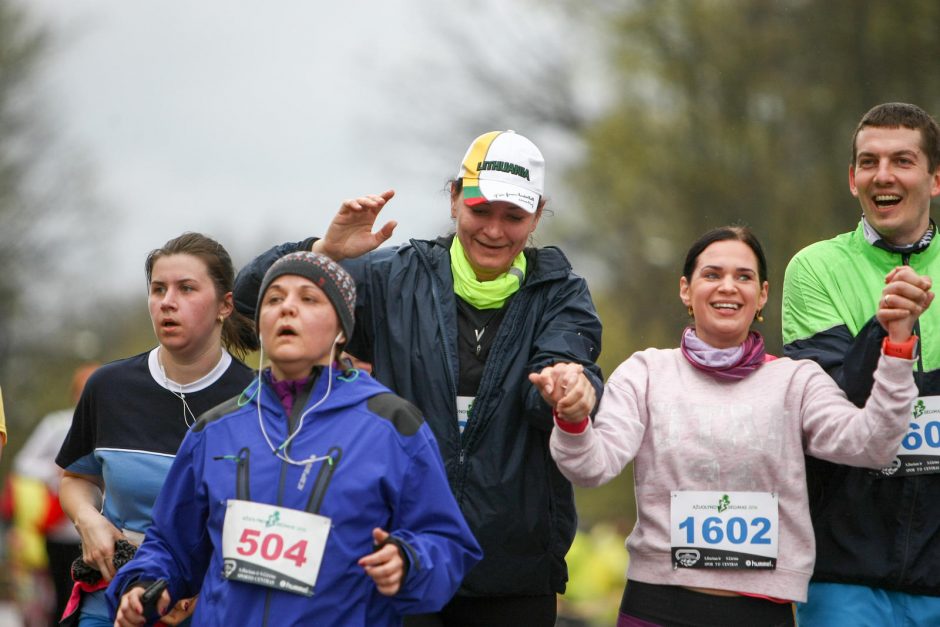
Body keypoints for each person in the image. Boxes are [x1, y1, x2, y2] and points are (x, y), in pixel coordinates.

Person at [232, 130, 603, 626]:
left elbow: (553, 395)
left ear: (536, 215)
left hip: (513, 573)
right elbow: (250, 304)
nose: (494, 230)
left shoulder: (561, 294)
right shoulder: (389, 278)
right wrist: (326, 251)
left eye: (513, 216)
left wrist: (572, 393)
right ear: (454, 199)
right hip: (396, 557)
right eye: (480, 210)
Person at [542, 225, 932, 626]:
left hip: (761, 612)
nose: (728, 287)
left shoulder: (797, 381)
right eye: (712, 275)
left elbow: (873, 445)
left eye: (743, 277)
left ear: (762, 294)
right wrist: (573, 421)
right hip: (656, 608)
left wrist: (898, 349)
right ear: (685, 290)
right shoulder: (645, 372)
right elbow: (591, 468)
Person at [108, 250, 481, 626]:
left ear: (341, 329)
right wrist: (144, 584)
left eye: (308, 299)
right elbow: (171, 544)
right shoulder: (214, 430)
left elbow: (446, 542)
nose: (287, 309)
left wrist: (408, 559)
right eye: (274, 299)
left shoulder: (392, 425)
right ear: (259, 324)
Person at [782, 102, 940, 625]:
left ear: (935, 179)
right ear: (853, 180)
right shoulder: (814, 267)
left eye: (902, 160)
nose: (884, 175)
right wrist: (887, 330)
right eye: (869, 162)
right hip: (844, 571)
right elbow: (833, 407)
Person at [56, 233, 256, 627]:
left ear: (224, 306)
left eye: (186, 289)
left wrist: (203, 587)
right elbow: (75, 478)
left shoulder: (257, 399)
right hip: (111, 601)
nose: (167, 301)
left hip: (212, 606)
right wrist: (87, 519)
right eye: (158, 289)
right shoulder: (108, 386)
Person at [13, 363, 98, 626]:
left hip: (103, 528)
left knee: (93, 600)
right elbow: (24, 463)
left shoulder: (115, 425)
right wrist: (56, 471)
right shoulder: (56, 424)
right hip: (61, 528)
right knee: (61, 596)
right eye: (85, 389)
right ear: (75, 393)